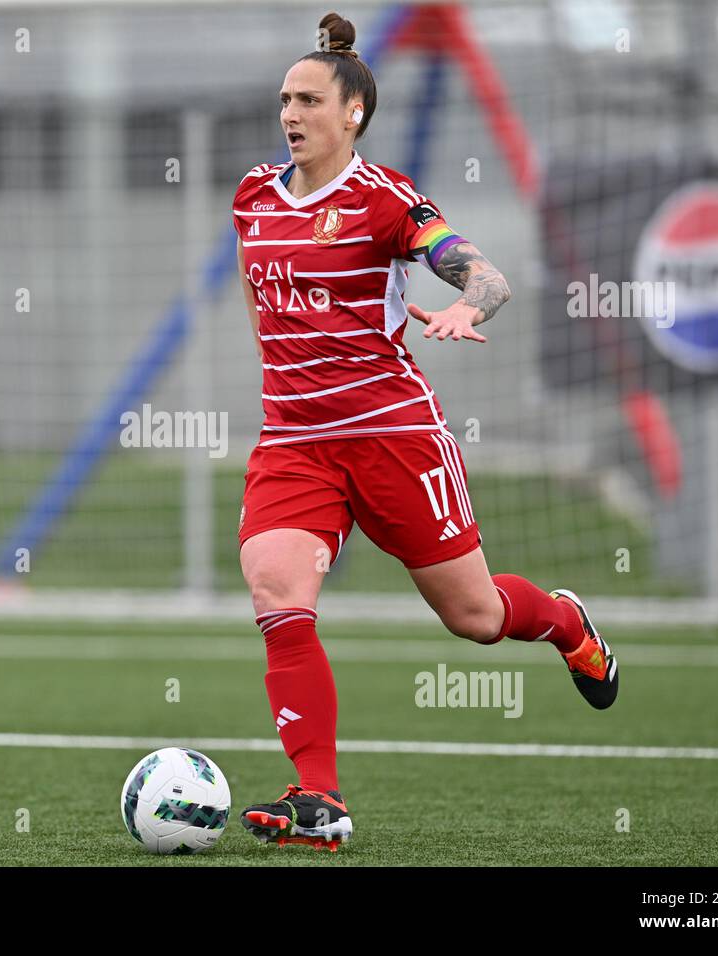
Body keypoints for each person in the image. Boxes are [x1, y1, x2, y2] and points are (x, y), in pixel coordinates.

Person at [232, 11, 619, 852]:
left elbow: (484, 274)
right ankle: (320, 799)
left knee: (476, 618)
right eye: (285, 100)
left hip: (393, 435)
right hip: (295, 442)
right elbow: (264, 301)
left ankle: (565, 624)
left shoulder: (386, 200)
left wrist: (467, 306)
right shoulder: (254, 196)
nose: (291, 114)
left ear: (353, 113)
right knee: (277, 594)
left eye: (308, 100)